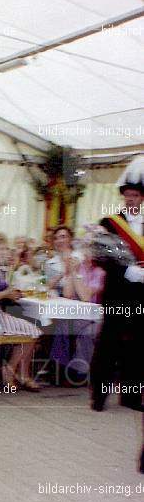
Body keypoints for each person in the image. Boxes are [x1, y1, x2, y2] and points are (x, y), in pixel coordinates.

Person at [90, 156, 143, 412]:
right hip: (117, 294)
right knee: (108, 345)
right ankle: (98, 397)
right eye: (128, 194)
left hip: (141, 296)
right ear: (123, 196)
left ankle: (131, 397)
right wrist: (127, 270)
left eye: (136, 195)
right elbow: (100, 257)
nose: (131, 199)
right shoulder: (109, 223)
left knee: (137, 346)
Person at [0, 237, 42, 391]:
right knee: (33, 332)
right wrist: (5, 294)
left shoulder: (1, 270)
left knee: (33, 332)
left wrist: (13, 294)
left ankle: (16, 372)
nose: (4, 252)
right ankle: (13, 372)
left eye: (6, 249)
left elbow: (5, 293)